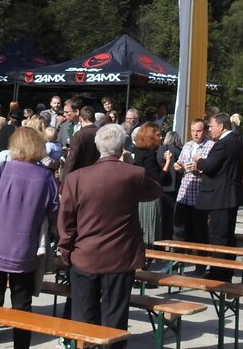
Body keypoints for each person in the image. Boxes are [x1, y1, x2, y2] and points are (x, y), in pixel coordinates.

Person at [59, 124, 162, 349]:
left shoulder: (76, 178)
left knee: (84, 317)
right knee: (115, 319)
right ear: (122, 147)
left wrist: (66, 250)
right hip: (120, 257)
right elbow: (155, 190)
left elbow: (66, 220)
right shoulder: (133, 174)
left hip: (84, 255)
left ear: (97, 146)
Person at [0, 126, 59, 349]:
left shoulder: (1, 169)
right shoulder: (47, 177)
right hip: (26, 250)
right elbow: (54, 215)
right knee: (23, 307)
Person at [191, 113, 243, 281]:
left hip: (221, 196)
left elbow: (210, 166)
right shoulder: (236, 141)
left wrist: (199, 160)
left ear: (221, 126)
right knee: (227, 235)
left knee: (219, 236)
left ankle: (218, 273)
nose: (209, 130)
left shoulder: (223, 143)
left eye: (211, 126)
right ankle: (225, 270)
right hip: (229, 195)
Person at [172, 119, 212, 245]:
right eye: (193, 131)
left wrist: (198, 168)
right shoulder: (188, 145)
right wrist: (178, 166)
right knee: (179, 229)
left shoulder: (211, 146)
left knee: (199, 230)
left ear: (204, 131)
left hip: (199, 194)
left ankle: (199, 260)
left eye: (198, 131)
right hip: (184, 192)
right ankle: (178, 260)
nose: (195, 134)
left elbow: (212, 167)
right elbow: (180, 162)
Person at [132, 123, 172, 246]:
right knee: (151, 233)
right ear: (150, 136)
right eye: (158, 135)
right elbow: (157, 179)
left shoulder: (139, 151)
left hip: (140, 197)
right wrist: (167, 164)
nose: (161, 137)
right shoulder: (149, 154)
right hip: (150, 199)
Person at [158, 130, 184, 242]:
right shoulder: (181, 151)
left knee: (164, 219)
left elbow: (159, 162)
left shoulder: (162, 149)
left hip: (164, 187)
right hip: (177, 188)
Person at [61, 106, 99, 177]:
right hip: (96, 174)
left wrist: (65, 178)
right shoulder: (101, 132)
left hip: (80, 174)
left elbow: (72, 159)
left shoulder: (79, 135)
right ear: (94, 118)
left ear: (81, 118)